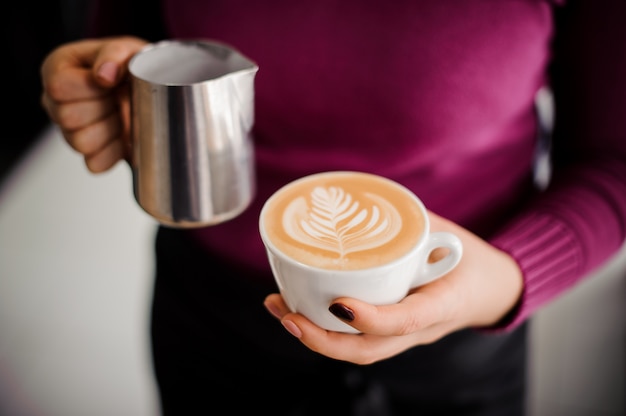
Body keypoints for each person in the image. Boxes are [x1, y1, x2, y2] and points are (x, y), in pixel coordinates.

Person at [39, 1, 626, 415]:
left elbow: (612, 162)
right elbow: (132, 44)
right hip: (215, 316)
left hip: (464, 328)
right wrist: (107, 88)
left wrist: (509, 276)